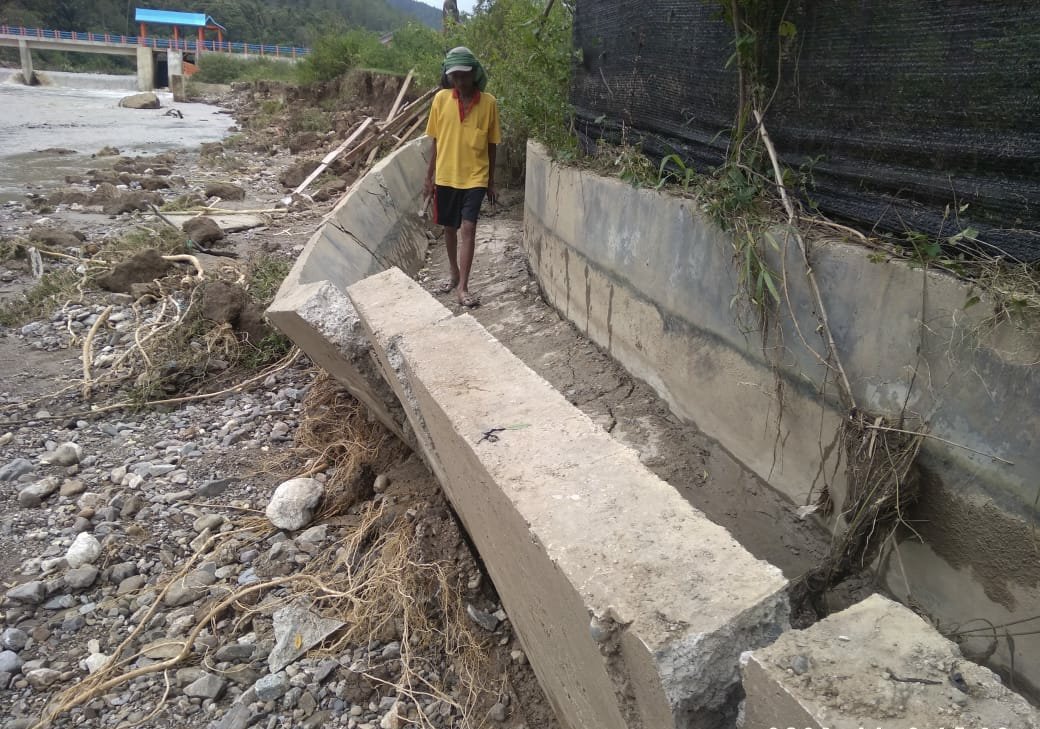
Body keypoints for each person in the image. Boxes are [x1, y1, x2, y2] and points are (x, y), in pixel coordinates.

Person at [423, 47, 501, 308]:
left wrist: (490, 181)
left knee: (468, 227)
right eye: (454, 76)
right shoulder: (440, 100)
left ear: (474, 74)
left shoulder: (489, 103)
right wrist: (428, 177)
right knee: (449, 228)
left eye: (464, 75)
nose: (460, 81)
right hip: (446, 175)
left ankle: (463, 287)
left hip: (476, 177)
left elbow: (492, 144)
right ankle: (454, 272)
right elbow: (435, 141)